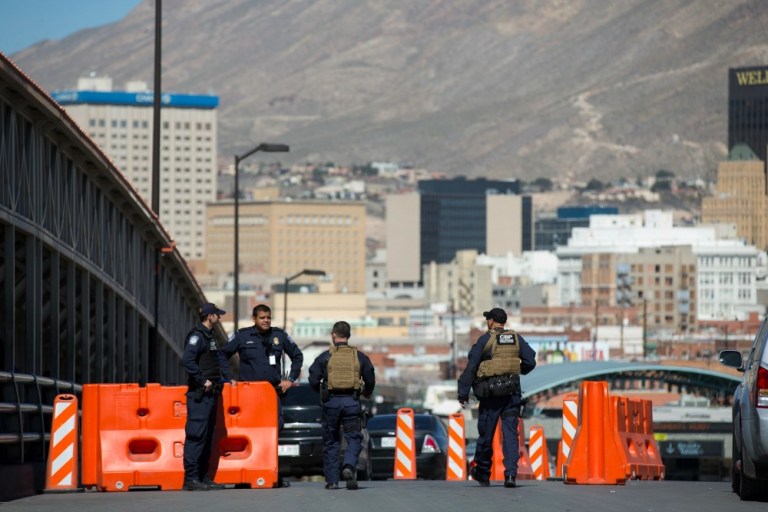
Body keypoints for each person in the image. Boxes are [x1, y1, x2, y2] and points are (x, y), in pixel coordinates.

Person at [217, 303, 303, 487]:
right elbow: (222, 354)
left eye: (268, 318)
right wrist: (228, 379)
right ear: (254, 319)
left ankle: (271, 472)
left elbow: (297, 356)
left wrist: (290, 379)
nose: (266, 321)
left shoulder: (279, 335)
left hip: (271, 393)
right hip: (248, 395)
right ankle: (246, 472)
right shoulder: (242, 336)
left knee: (274, 431)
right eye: (262, 318)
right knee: (248, 433)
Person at [458, 308, 536, 488]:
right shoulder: (516, 339)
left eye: (488, 319)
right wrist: (517, 371)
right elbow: (530, 361)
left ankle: (483, 472)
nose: (487, 322)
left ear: (492, 321)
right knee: (510, 435)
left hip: (491, 396)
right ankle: (510, 475)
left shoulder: (486, 340)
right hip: (511, 395)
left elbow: (471, 368)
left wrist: (463, 393)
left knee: (486, 434)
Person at [308, 321, 375, 491]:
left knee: (331, 441)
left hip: (331, 403)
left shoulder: (325, 356)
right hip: (351, 402)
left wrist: (321, 391)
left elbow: (313, 379)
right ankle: (349, 466)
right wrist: (367, 392)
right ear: (349, 336)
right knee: (354, 438)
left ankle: (332, 481)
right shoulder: (359, 357)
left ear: (333, 335)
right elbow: (370, 377)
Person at [181, 302, 229, 491]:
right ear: (210, 316)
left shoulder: (209, 336)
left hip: (211, 395)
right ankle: (191, 478)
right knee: (196, 436)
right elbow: (187, 360)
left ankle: (203, 477)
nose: (219, 317)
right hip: (200, 395)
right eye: (217, 314)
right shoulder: (197, 336)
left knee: (207, 437)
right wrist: (202, 380)